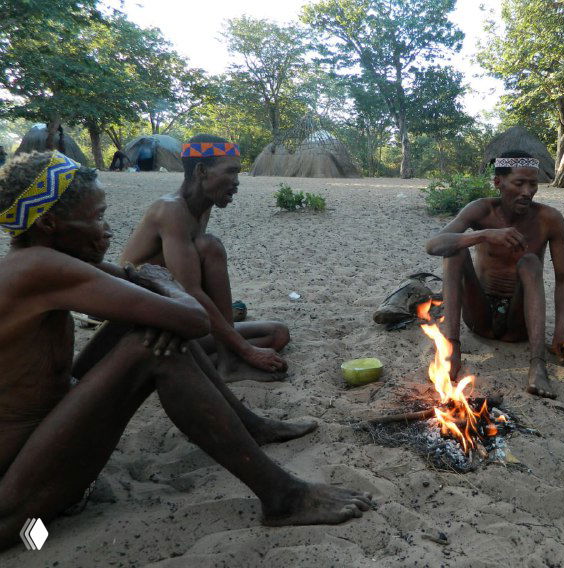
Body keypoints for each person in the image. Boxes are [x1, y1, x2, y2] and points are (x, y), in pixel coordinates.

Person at [0, 151, 371, 550]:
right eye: (97, 217)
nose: (107, 231)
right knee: (155, 348)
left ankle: (250, 425)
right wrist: (166, 284)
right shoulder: (38, 267)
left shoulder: (45, 260)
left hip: (37, 454)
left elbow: (157, 297)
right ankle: (283, 497)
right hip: (16, 506)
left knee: (147, 323)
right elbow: (193, 319)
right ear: (49, 223)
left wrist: (162, 290)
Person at [121, 134, 288, 383]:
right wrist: (248, 351)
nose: (236, 182)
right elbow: (189, 290)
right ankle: (226, 361)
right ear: (201, 171)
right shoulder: (171, 209)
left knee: (278, 334)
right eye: (230, 172)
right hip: (148, 326)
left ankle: (217, 362)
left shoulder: (202, 207)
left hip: (178, 315)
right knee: (212, 247)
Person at [425, 151, 564, 398]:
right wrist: (484, 234)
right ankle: (452, 350)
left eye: (533, 184)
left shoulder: (549, 219)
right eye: (519, 183)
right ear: (499, 182)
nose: (527, 192)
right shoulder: (482, 210)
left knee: (530, 261)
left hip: (520, 324)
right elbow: (433, 245)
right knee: (454, 251)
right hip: (479, 318)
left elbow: (563, 279)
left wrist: (560, 332)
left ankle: (537, 364)